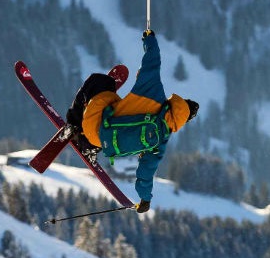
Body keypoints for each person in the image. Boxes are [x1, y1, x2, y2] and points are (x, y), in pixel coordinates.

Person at [66, 30, 199, 213]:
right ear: (182, 120)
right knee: (110, 121)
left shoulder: (154, 93)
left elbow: (153, 62)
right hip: (102, 142)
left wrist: (149, 40)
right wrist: (145, 199)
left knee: (98, 82)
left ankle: (73, 123)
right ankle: (89, 145)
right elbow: (146, 171)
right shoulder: (162, 138)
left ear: (178, 102)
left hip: (93, 120)